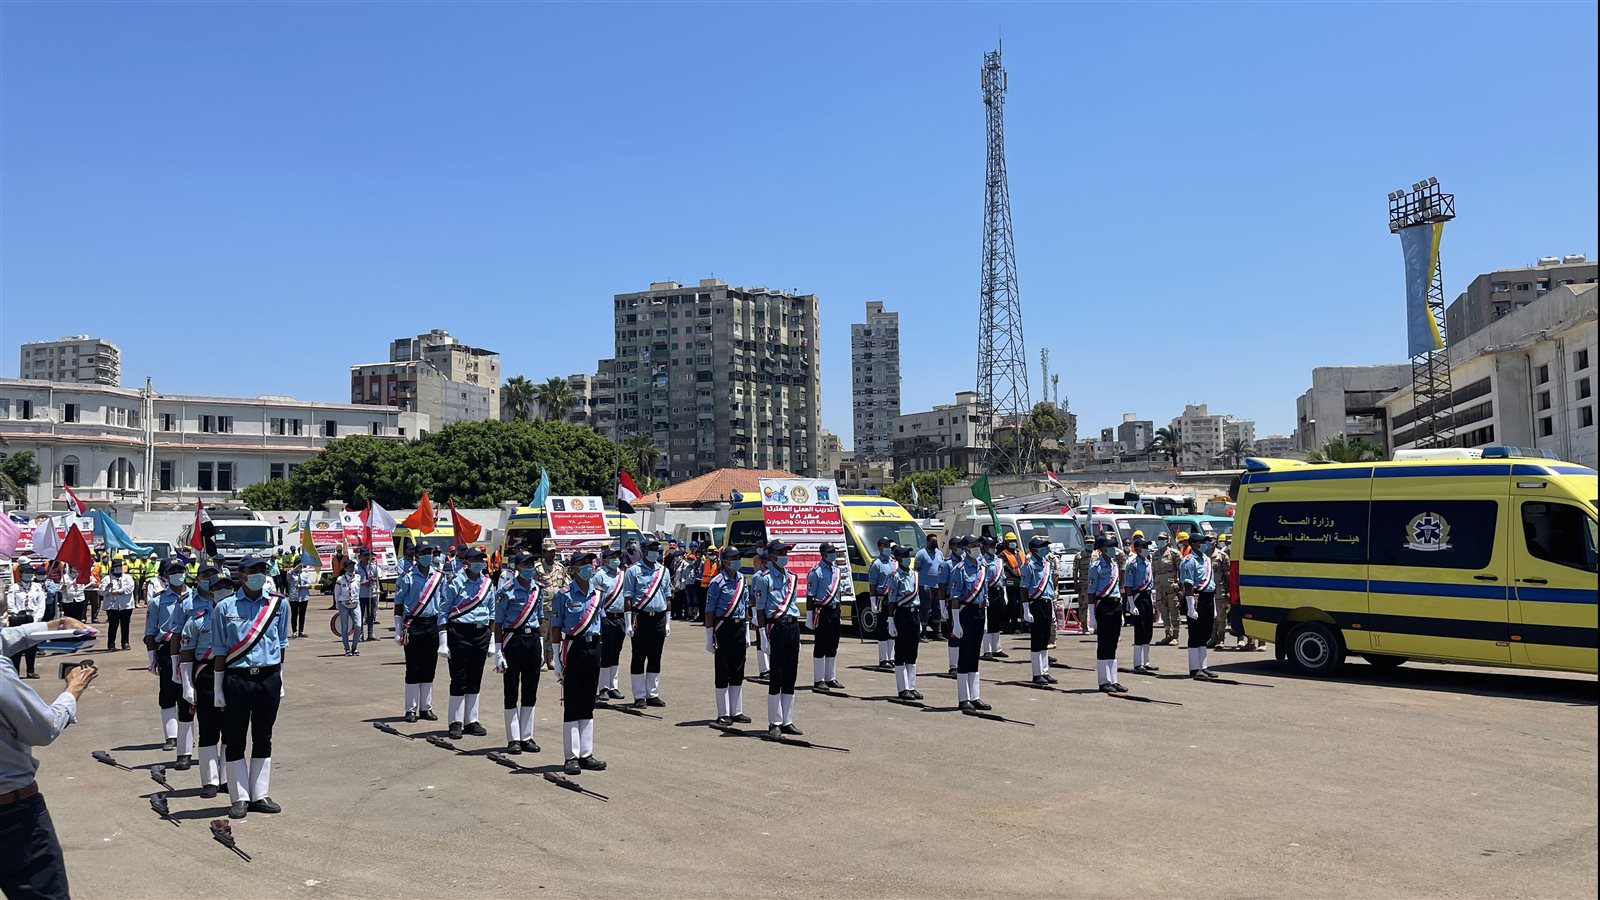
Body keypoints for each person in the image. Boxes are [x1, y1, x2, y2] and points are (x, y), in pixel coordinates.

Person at [1, 617, 98, 899]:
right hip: (12, 816)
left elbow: (10, 637)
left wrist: (56, 625)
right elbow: (43, 729)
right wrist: (73, 690)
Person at [211, 556, 289, 819]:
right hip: (237, 678)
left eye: (262, 570)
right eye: (252, 570)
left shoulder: (278, 604)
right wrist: (218, 687)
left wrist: (281, 679)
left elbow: (281, 645)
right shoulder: (224, 607)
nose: (258, 574)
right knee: (234, 738)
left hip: (268, 677)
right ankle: (239, 797)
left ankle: (259, 793)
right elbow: (220, 649)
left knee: (263, 736)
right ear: (241, 574)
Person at [551, 551, 605, 776]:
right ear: (572, 569)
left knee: (588, 701)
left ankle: (586, 753)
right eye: (582, 564)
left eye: (589, 563)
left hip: (594, 648)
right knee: (572, 703)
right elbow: (556, 627)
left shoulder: (598, 594)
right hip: (573, 648)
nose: (587, 567)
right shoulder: (563, 595)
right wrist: (555, 657)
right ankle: (571, 756)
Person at [167, 561, 223, 771]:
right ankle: (183, 752)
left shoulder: (226, 597)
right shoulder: (186, 601)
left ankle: (215, 758)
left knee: (216, 713)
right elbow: (177, 634)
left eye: (212, 574)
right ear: (197, 577)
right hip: (193, 660)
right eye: (205, 575)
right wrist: (176, 668)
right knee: (186, 707)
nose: (209, 579)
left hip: (220, 660)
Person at [179, 573, 232, 797]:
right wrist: (187, 685)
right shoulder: (198, 619)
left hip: (233, 674)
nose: (223, 590)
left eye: (227, 586)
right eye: (218, 587)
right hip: (207, 674)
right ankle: (210, 780)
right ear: (210, 592)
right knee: (209, 729)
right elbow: (186, 654)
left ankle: (228, 777)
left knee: (232, 730)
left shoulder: (240, 617)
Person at [492, 551, 546, 754]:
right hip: (512, 640)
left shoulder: (537, 590)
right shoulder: (506, 590)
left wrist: (540, 644)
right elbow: (498, 623)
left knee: (531, 689)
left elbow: (540, 619)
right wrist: (499, 652)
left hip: (532, 639)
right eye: (525, 564)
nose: (529, 568)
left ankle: (527, 736)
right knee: (512, 689)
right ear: (517, 567)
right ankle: (513, 737)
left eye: (532, 564)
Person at [393, 544, 449, 723]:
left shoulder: (439, 577)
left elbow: (443, 604)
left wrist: (443, 633)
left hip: (432, 624)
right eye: (423, 553)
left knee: (429, 668)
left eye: (429, 553)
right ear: (416, 555)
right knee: (413, 668)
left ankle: (426, 707)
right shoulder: (407, 577)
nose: (427, 556)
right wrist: (398, 629)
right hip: (413, 625)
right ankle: (411, 709)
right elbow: (399, 604)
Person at [753, 540, 803, 737]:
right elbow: (760, 609)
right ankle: (774, 722)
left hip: (792, 626)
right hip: (777, 626)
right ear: (772, 555)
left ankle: (787, 720)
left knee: (791, 674)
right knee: (777, 675)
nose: (785, 555)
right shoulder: (763, 579)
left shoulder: (792, 577)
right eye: (781, 552)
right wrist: (763, 634)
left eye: (786, 552)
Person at [444, 548, 494, 740]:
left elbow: (493, 612)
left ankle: (471, 720)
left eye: (481, 559)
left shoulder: (488, 583)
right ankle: (455, 721)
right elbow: (444, 610)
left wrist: (490, 639)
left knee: (475, 676)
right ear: (467, 562)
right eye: (475, 559)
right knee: (459, 676)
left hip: (481, 632)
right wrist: (443, 639)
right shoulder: (455, 582)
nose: (479, 562)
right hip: (460, 632)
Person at [145, 560, 191, 750]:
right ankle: (171, 736)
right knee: (168, 692)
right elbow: (150, 631)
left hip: (189, 649)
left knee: (187, 694)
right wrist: (152, 659)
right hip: (166, 649)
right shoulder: (158, 600)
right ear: (165, 575)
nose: (177, 574)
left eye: (180, 570)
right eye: (173, 571)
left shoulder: (195, 597)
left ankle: (186, 736)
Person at [622, 538, 672, 709]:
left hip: (658, 617)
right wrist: (628, 622)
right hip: (641, 618)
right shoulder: (633, 571)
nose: (654, 552)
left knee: (655, 656)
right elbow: (627, 597)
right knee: (639, 656)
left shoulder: (663, 571)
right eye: (651, 549)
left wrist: (668, 621)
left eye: (656, 549)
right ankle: (639, 695)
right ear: (642, 551)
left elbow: (668, 596)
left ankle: (652, 694)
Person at [704, 546, 750, 725]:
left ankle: (736, 710)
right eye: (733, 558)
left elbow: (745, 606)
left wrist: (746, 631)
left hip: (739, 627)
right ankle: (723, 713)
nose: (737, 561)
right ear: (725, 561)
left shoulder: (742, 580)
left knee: (738, 670)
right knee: (723, 670)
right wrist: (709, 636)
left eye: (738, 557)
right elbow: (709, 611)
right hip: (723, 627)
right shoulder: (717, 582)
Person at [945, 536, 991, 713]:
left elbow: (984, 596)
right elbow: (955, 598)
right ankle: (964, 698)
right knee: (964, 656)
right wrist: (956, 623)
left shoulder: (982, 567)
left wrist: (985, 618)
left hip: (979, 613)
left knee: (974, 656)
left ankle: (975, 696)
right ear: (965, 548)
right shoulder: (959, 569)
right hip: (965, 614)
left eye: (978, 544)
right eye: (973, 544)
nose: (978, 547)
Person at [806, 541, 850, 690]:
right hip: (822, 611)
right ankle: (819, 680)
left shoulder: (836, 570)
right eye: (830, 552)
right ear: (823, 554)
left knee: (833, 644)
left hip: (835, 610)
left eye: (834, 551)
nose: (833, 554)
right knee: (821, 644)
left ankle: (830, 677)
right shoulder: (815, 571)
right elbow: (810, 595)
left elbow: (839, 592)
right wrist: (809, 616)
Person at [1087, 535, 1128, 693]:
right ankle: (1104, 681)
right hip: (1103, 605)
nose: (1112, 549)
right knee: (1104, 644)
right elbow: (1091, 592)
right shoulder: (1095, 566)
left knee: (1113, 644)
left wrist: (1122, 612)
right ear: (1102, 549)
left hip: (1115, 605)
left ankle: (1114, 679)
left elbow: (1118, 589)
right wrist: (1092, 616)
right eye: (1109, 546)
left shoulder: (1114, 565)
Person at [884, 545, 922, 702]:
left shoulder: (914, 574)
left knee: (912, 652)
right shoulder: (894, 576)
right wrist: (891, 621)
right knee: (901, 651)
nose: (908, 558)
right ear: (898, 559)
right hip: (902, 615)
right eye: (905, 556)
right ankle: (902, 688)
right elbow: (892, 601)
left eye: (909, 555)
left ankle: (911, 687)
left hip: (914, 615)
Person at [1019, 536, 1059, 685]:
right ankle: (1037, 673)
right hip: (1036, 603)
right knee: (1037, 638)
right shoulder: (1029, 565)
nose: (1046, 549)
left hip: (1047, 602)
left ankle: (1045, 671)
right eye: (1043, 546)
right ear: (1034, 549)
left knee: (1045, 637)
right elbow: (1023, 588)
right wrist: (1026, 609)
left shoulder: (1047, 564)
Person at [1180, 533, 1219, 680]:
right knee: (1195, 634)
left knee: (1205, 633)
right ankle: (1194, 668)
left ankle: (1203, 666)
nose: (1205, 544)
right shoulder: (1189, 561)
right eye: (1202, 542)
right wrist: (1191, 607)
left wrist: (1213, 605)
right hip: (1196, 598)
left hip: (1208, 597)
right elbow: (1188, 584)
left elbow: (1211, 583)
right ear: (1194, 544)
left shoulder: (1206, 559)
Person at [591, 548, 627, 701]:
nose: (616, 559)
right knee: (605, 653)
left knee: (616, 653)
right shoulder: (599, 575)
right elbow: (593, 598)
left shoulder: (623, 575)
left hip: (621, 618)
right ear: (605, 560)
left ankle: (613, 686)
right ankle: (603, 687)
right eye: (612, 557)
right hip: (606, 617)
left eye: (617, 557)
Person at [1124, 537, 1159, 674]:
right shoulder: (1133, 564)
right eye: (1144, 546)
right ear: (1138, 548)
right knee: (1140, 630)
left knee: (1148, 630)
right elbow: (1128, 586)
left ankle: (1146, 661)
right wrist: (1131, 604)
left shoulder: (1148, 563)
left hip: (1147, 597)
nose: (1147, 549)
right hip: (1137, 597)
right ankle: (1138, 663)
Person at [4, 567, 46, 679]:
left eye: (30, 573)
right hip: (18, 621)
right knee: (17, 648)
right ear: (21, 574)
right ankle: (15, 671)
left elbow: (41, 605)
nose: (29, 575)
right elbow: (10, 604)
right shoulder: (14, 588)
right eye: (26, 573)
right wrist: (18, 617)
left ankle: (30, 670)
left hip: (33, 621)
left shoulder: (37, 588)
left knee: (31, 647)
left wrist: (35, 619)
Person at [532, 542, 568, 671]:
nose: (552, 554)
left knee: (554, 635)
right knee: (543, 634)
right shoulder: (538, 569)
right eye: (549, 551)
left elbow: (565, 583)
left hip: (557, 607)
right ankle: (542, 660)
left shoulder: (560, 567)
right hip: (544, 606)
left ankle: (551, 659)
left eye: (554, 551)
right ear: (544, 553)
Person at [941, 537, 973, 674]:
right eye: (957, 545)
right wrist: (942, 605)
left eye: (961, 545)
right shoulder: (947, 564)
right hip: (953, 601)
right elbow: (941, 586)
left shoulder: (968, 562)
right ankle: (953, 665)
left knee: (966, 635)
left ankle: (964, 662)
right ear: (952, 547)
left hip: (967, 603)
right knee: (954, 634)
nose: (960, 548)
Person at [867, 536, 897, 670]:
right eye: (885, 545)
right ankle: (883, 658)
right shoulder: (876, 564)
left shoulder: (893, 562)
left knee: (892, 628)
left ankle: (891, 657)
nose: (887, 548)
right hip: (882, 599)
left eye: (888, 545)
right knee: (882, 629)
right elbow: (872, 585)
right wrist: (873, 602)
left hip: (893, 599)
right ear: (879, 548)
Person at [979, 536, 1007, 660]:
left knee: (997, 620)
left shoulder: (998, 560)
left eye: (994, 546)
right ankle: (987, 650)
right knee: (987, 622)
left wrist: (1004, 594)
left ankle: (997, 648)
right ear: (984, 547)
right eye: (990, 545)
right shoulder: (982, 561)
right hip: (988, 592)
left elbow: (1003, 578)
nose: (992, 548)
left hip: (998, 591)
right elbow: (982, 581)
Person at [1153, 532, 1183, 645]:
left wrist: (1181, 588)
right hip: (1160, 587)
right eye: (1159, 538)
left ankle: (1175, 636)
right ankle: (1167, 635)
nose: (1160, 540)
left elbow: (1181, 570)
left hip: (1172, 587)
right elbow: (1154, 571)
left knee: (1174, 611)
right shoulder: (1155, 554)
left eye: (1162, 539)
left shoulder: (1174, 554)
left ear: (1168, 540)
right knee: (1164, 612)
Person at [914, 535, 945, 641]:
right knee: (924, 610)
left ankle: (937, 633)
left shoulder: (939, 553)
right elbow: (916, 570)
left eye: (936, 541)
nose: (935, 543)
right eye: (933, 541)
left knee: (937, 610)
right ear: (927, 542)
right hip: (925, 586)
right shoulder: (921, 554)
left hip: (937, 586)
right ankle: (923, 633)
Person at [101, 558, 135, 651]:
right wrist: (108, 588)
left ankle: (125, 643)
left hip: (126, 605)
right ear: (112, 568)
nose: (119, 569)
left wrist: (119, 591)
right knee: (113, 625)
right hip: (112, 606)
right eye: (116, 567)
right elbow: (101, 592)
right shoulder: (107, 579)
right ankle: (111, 644)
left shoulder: (128, 577)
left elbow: (130, 588)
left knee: (125, 625)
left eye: (120, 567)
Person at [334, 563, 362, 656]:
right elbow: (337, 593)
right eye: (349, 567)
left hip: (355, 603)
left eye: (352, 567)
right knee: (345, 627)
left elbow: (358, 591)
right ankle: (347, 648)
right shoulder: (340, 579)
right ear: (345, 568)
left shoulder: (357, 577)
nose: (351, 569)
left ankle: (354, 647)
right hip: (343, 604)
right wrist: (338, 605)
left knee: (358, 626)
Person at [1210, 534, 1233, 649]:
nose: (1209, 542)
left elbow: (1227, 575)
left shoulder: (1222, 556)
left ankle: (1221, 639)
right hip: (1207, 590)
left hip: (1220, 589)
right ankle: (1212, 638)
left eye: (1211, 540)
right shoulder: (1203, 556)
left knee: (1221, 616)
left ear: (1216, 541)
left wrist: (1228, 590)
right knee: (1211, 616)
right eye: (1207, 539)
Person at [999, 532, 1024, 635]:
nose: (1012, 543)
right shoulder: (1003, 554)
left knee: (1022, 603)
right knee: (1012, 603)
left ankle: (1024, 624)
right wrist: (1016, 575)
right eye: (1010, 541)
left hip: (1021, 582)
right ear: (1006, 543)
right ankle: (1012, 625)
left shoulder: (1019, 553)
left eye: (1014, 541)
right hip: (1011, 582)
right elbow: (1006, 568)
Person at [356, 549, 381, 642]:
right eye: (365, 555)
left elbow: (380, 575)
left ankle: (370, 633)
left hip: (372, 594)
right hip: (361, 594)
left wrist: (374, 578)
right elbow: (353, 581)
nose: (367, 558)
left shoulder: (373, 567)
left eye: (368, 555)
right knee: (360, 615)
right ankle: (360, 634)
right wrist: (363, 583)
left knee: (371, 614)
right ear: (360, 556)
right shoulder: (356, 568)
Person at [288, 560, 313, 637]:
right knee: (294, 614)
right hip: (294, 596)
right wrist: (295, 569)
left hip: (303, 596)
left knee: (302, 614)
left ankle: (301, 631)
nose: (300, 566)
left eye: (301, 565)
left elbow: (309, 585)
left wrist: (303, 586)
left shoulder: (305, 574)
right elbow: (288, 576)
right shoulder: (291, 573)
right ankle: (294, 631)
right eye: (298, 564)